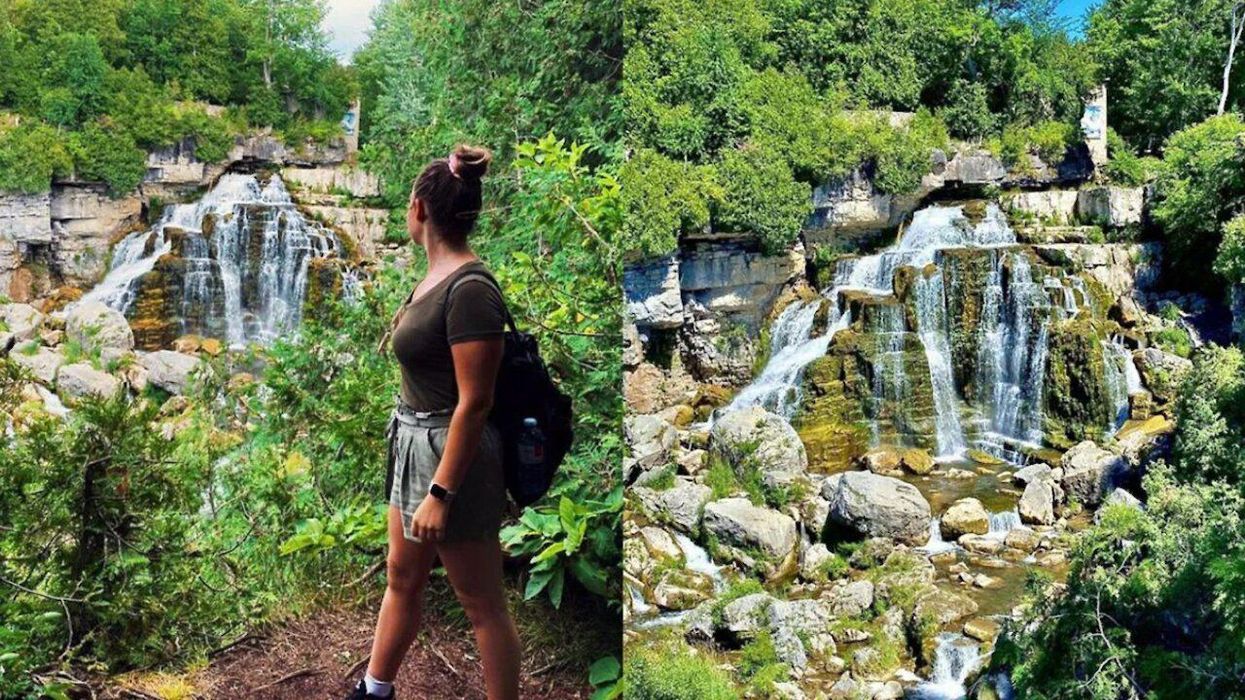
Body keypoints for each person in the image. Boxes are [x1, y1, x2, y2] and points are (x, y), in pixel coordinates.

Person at [348, 145, 521, 700]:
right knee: (401, 576)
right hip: (412, 441)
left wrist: (440, 493)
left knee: (482, 603)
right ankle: (375, 689)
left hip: (452, 456)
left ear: (421, 209)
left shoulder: (470, 290)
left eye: (407, 202)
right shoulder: (434, 277)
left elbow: (476, 402)